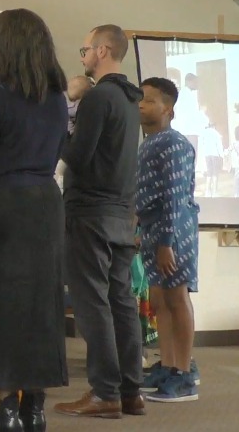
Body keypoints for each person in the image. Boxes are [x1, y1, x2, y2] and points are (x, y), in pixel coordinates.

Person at [0, 9, 69, 432]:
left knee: (2, 305)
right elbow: (60, 147)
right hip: (45, 203)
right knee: (43, 305)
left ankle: (7, 410)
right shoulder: (57, 96)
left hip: (3, 204)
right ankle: (36, 408)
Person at [54, 24, 145, 419]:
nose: (82, 56)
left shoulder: (98, 98)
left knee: (93, 304)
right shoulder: (129, 99)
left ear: (103, 50)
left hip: (91, 213)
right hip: (122, 215)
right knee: (122, 303)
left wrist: (61, 114)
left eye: (85, 49)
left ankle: (104, 392)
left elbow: (76, 156)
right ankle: (130, 391)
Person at [135, 78, 201, 404]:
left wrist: (166, 242)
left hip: (173, 233)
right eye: (139, 99)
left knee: (176, 298)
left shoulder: (174, 144)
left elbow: (174, 199)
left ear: (168, 108)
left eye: (148, 100)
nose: (140, 105)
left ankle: (184, 373)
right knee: (159, 301)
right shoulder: (149, 142)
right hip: (152, 230)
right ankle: (169, 363)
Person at [199, 122, 224, 196]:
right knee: (215, 173)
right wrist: (222, 155)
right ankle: (215, 191)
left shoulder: (204, 133)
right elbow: (219, 145)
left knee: (209, 173)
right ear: (213, 126)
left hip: (207, 154)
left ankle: (207, 191)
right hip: (215, 154)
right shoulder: (216, 133)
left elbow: (201, 144)